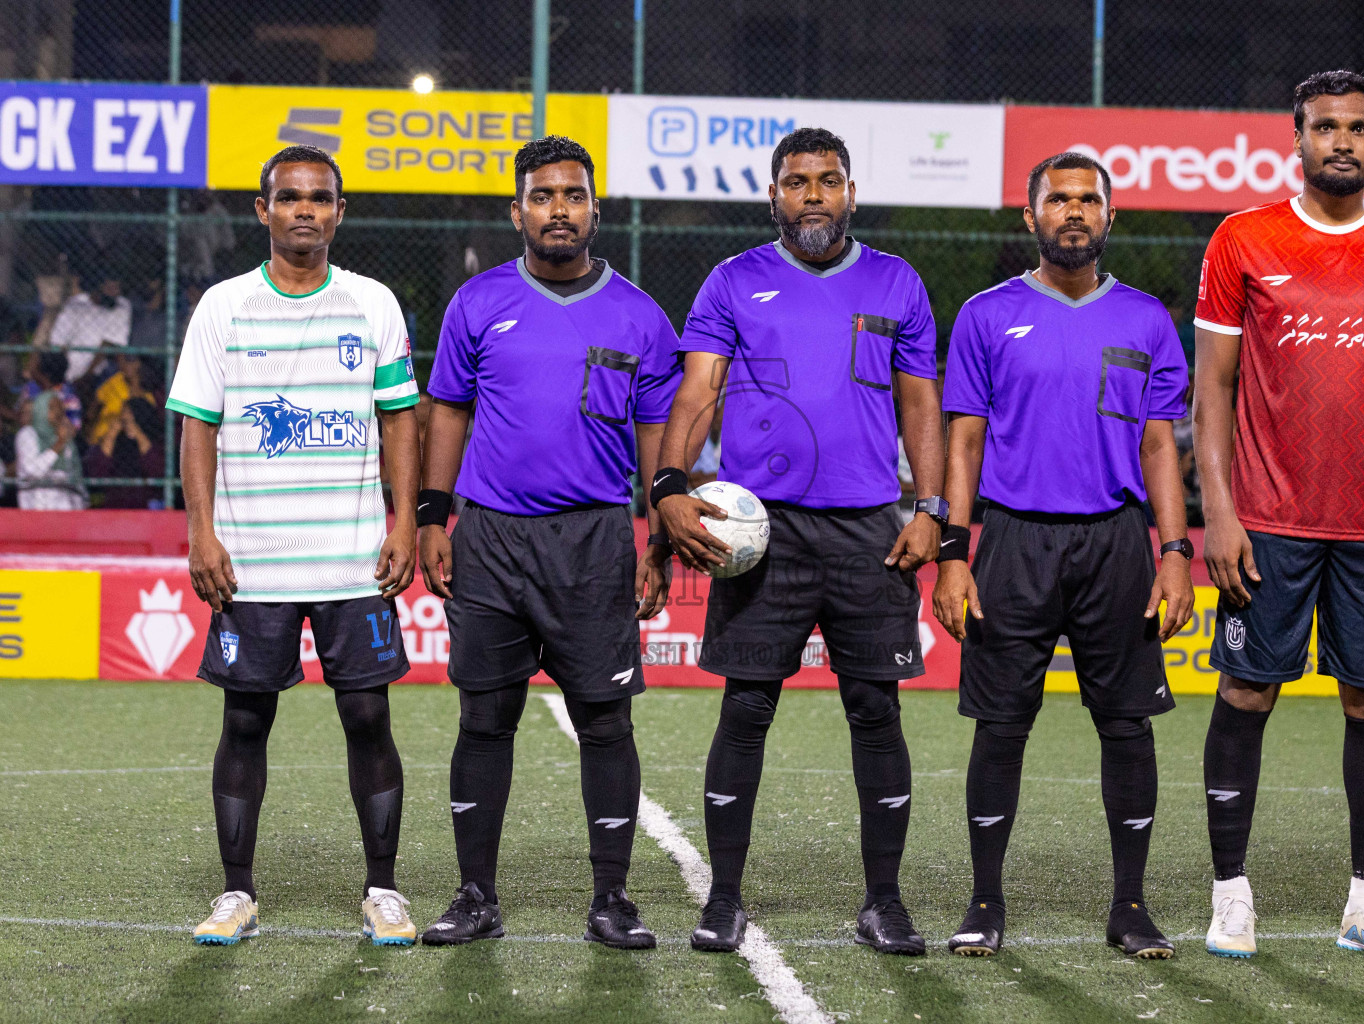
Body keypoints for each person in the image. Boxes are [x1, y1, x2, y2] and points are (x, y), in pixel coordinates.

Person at [653, 127, 946, 956]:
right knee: (746, 708)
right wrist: (670, 485)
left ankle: (883, 902)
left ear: (851, 193)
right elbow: (698, 392)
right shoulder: (733, 281)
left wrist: (932, 507)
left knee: (874, 710)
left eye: (827, 181)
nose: (812, 194)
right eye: (796, 182)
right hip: (760, 534)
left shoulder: (898, 282)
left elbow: (921, 404)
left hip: (868, 530)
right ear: (773, 196)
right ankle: (724, 899)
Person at [1193, 71, 1364, 962]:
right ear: (1296, 140)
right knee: (1245, 691)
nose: (1341, 141)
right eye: (1325, 128)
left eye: (1357, 128)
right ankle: (1231, 896)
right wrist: (1218, 512)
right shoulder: (1242, 239)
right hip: (1267, 521)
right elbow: (1213, 391)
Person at [415, 136, 680, 949]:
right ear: (518, 211)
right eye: (542, 196)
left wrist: (659, 537)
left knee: (605, 721)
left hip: (595, 538)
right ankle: (475, 896)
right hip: (491, 538)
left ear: (595, 209)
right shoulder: (477, 302)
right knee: (484, 718)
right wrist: (432, 513)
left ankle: (612, 898)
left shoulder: (639, 313)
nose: (557, 209)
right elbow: (449, 412)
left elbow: (659, 435)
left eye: (572, 195)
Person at [932, 152, 1194, 959]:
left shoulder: (1147, 318)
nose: (1073, 212)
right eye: (1058, 200)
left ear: (1111, 217)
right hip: (1012, 540)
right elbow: (964, 441)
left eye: (1088, 200)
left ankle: (1130, 904)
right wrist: (952, 553)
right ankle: (983, 901)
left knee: (1127, 726)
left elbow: (1159, 446)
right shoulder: (985, 314)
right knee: (1000, 727)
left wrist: (1177, 550)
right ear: (1031, 216)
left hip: (1116, 542)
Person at [166, 145, 422, 947]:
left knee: (368, 714)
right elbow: (197, 425)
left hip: (352, 556)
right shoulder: (223, 307)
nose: (305, 210)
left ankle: (383, 891)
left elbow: (398, 420)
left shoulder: (373, 303)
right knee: (246, 721)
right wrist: (200, 530)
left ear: (340, 212)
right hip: (252, 557)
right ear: (263, 210)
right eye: (290, 198)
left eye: (320, 198)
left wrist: (406, 520)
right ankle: (236, 894)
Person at [47, 270, 131, 384]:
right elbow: (58, 342)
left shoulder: (121, 306)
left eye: (117, 288)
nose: (115, 293)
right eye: (110, 288)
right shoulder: (75, 304)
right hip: (68, 366)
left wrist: (86, 377)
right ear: (99, 288)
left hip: (97, 371)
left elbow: (108, 344)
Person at [15, 380, 87, 511]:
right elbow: (33, 471)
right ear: (42, 410)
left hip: (65, 507)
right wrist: (58, 445)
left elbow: (74, 472)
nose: (59, 412)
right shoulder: (28, 434)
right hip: (36, 504)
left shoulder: (62, 435)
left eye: (60, 407)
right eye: (53, 408)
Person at [84, 395, 164, 508]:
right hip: (114, 505)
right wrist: (112, 433)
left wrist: (138, 434)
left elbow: (156, 469)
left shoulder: (154, 440)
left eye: (129, 413)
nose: (125, 417)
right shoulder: (116, 441)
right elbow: (97, 471)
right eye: (123, 413)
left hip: (147, 505)